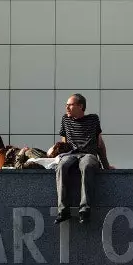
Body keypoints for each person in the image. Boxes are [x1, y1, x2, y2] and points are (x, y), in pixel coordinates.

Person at [54, 93, 114, 225]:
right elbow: (64, 142)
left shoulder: (93, 119)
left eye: (70, 105)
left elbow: (99, 143)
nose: (67, 108)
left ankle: (85, 209)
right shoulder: (65, 120)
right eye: (66, 105)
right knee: (62, 165)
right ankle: (63, 210)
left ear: (80, 106)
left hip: (89, 154)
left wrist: (106, 165)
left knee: (87, 165)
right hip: (71, 154)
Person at [0, 129, 70, 170]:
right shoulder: (42, 158)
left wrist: (21, 152)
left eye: (53, 146)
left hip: (1, 160)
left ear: (55, 150)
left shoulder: (41, 159)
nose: (50, 146)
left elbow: (19, 167)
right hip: (3, 158)